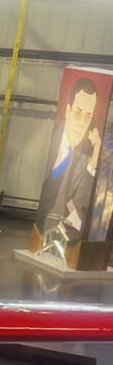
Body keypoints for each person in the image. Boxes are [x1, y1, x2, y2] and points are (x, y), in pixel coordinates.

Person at [40, 77, 102, 243]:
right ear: (68, 111)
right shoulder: (48, 136)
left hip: (57, 235)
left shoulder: (84, 156)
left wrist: (95, 154)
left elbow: (80, 207)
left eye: (88, 117)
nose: (82, 123)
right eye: (78, 113)